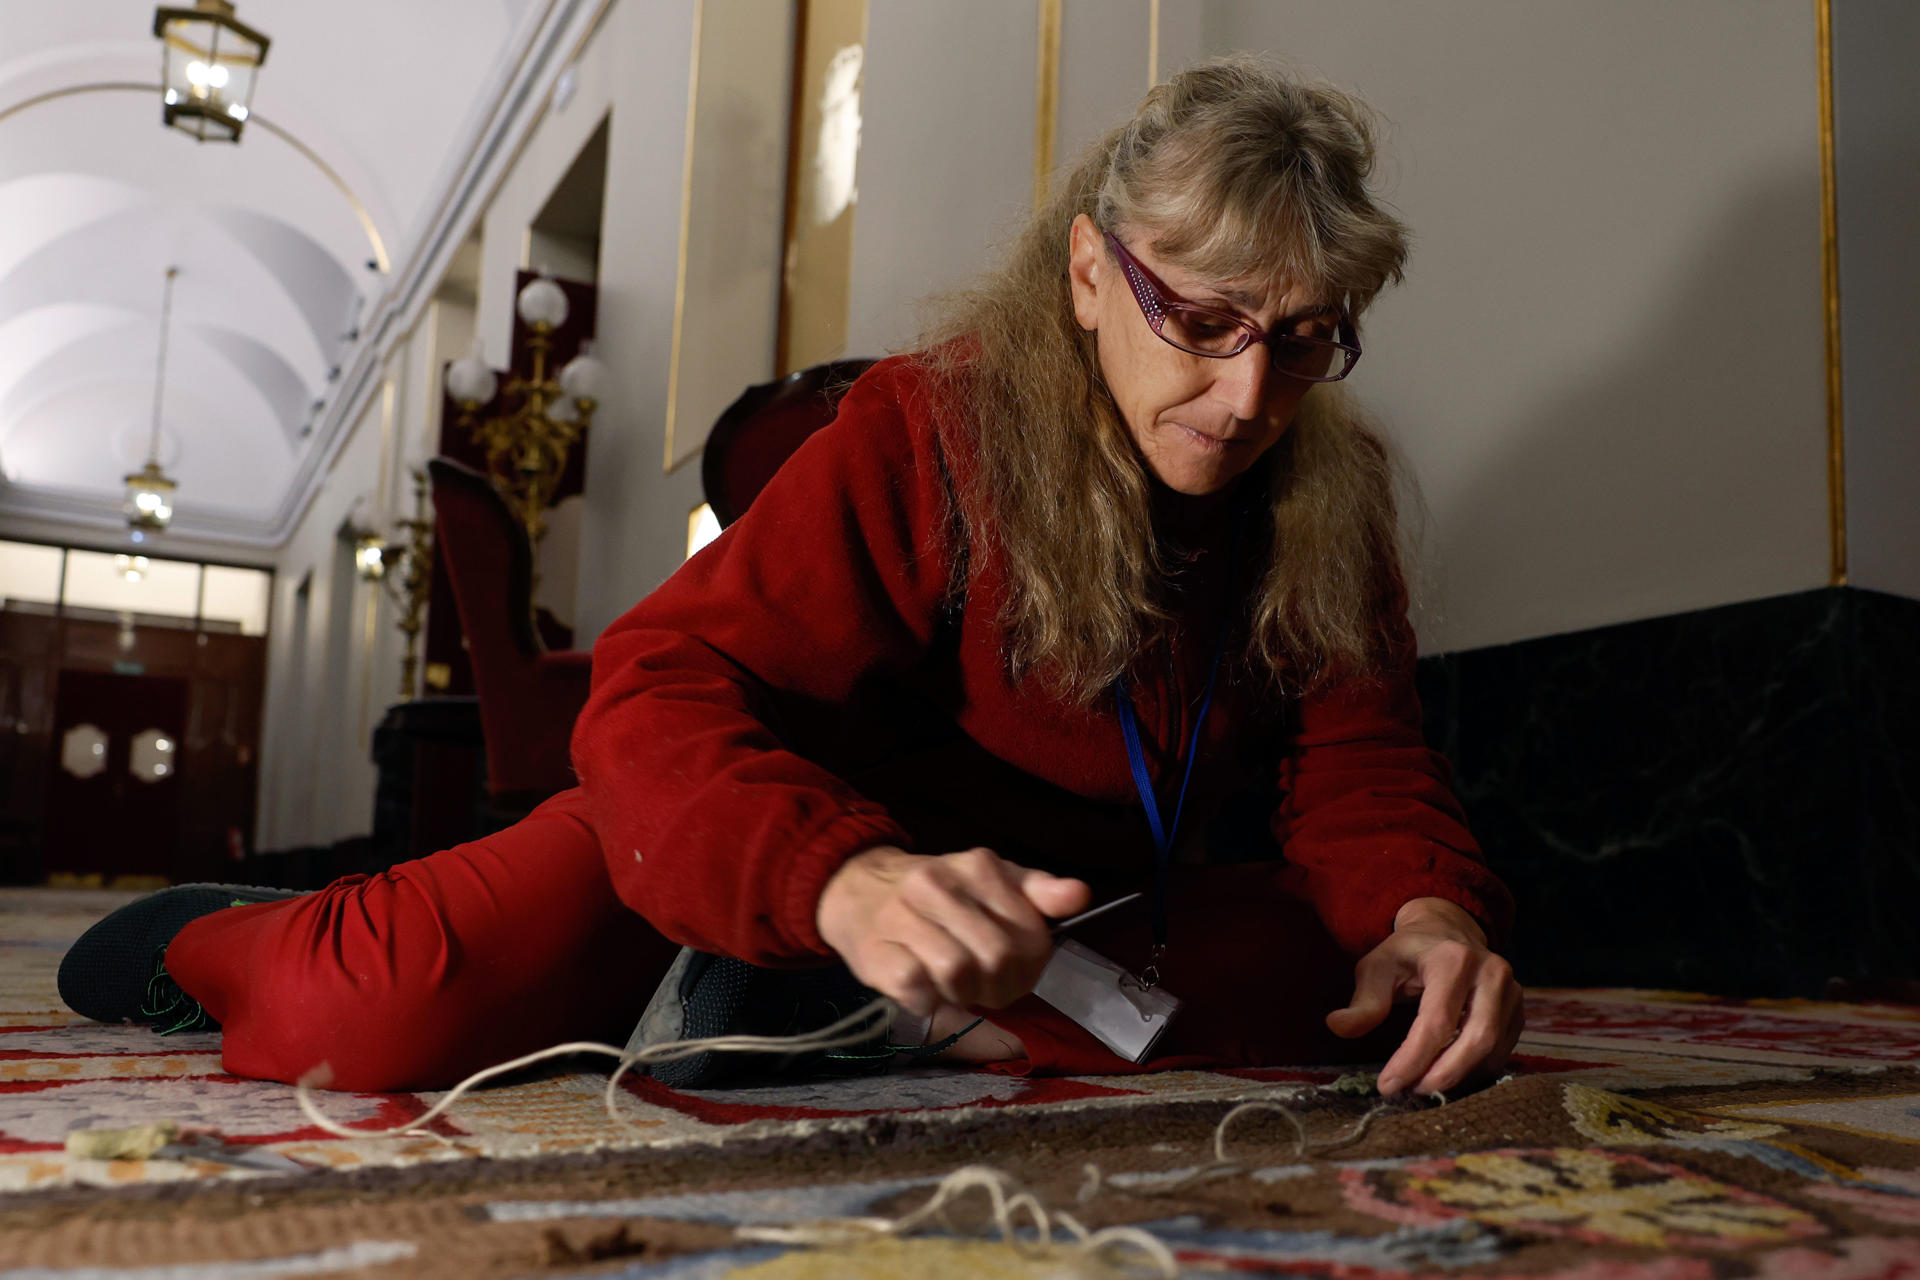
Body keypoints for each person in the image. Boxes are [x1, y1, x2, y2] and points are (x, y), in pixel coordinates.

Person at [58, 54, 1521, 1099]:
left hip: (1054, 919)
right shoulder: (931, 424)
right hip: (789, 844)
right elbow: (654, 691)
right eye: (1201, 320)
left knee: (1322, 998)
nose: (1251, 393)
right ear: (1090, 274)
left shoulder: (1328, 489)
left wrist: (1423, 914)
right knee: (362, 1009)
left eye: (1308, 337)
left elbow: (1361, 756)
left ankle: (843, 1012)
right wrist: (840, 883)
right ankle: (212, 929)